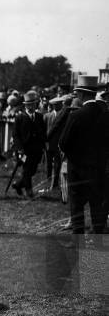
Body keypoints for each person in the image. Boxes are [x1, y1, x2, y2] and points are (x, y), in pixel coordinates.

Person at [59, 76, 109, 235]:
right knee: (97, 206)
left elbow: (63, 143)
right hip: (99, 169)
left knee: (77, 206)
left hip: (78, 170)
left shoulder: (76, 115)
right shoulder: (106, 114)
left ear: (81, 95)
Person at [12, 90, 46, 198]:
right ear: (25, 105)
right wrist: (20, 149)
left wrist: (43, 145)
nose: (31, 106)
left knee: (33, 170)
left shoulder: (40, 117)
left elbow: (43, 132)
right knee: (26, 170)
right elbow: (15, 135)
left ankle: (18, 185)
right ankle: (29, 191)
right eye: (29, 104)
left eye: (33, 104)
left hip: (36, 149)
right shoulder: (20, 117)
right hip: (24, 149)